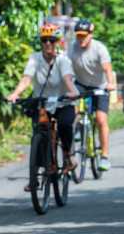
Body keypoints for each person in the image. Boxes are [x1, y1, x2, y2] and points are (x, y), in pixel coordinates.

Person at [6, 22, 81, 172]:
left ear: (58, 42)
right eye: (44, 40)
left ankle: (68, 156)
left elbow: (67, 79)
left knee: (65, 125)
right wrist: (15, 93)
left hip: (63, 102)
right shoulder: (35, 58)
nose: (47, 43)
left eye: (51, 40)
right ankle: (36, 176)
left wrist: (73, 92)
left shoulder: (63, 60)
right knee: (39, 133)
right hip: (42, 103)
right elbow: (27, 78)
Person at [67, 19, 116, 171]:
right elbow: (65, 68)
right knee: (71, 107)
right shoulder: (72, 48)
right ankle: (77, 127)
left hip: (100, 86)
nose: (81, 38)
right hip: (80, 84)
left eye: (84, 35)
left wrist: (110, 83)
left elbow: (108, 69)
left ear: (91, 35)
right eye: (78, 35)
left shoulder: (99, 48)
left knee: (101, 120)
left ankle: (105, 156)